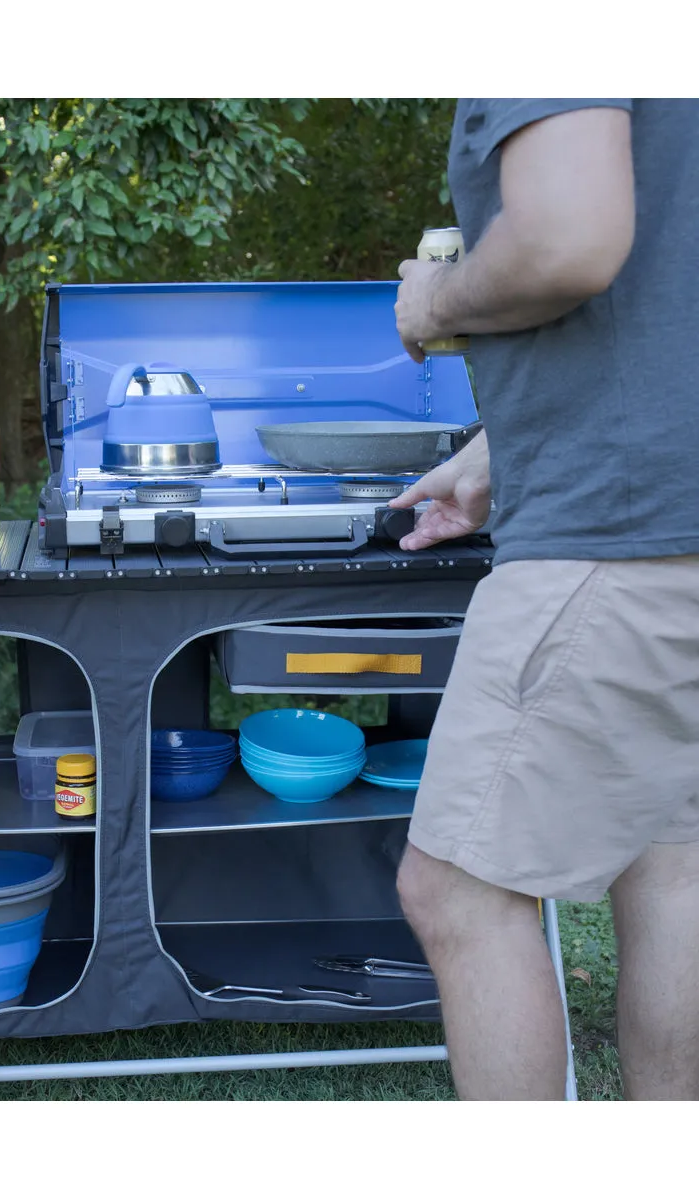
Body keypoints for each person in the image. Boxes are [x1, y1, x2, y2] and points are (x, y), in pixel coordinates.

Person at [390, 99, 699, 1100]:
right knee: (674, 866)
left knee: (462, 894)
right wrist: (500, 451)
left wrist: (435, 303)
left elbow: (566, 241)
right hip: (665, 505)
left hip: (626, 526)